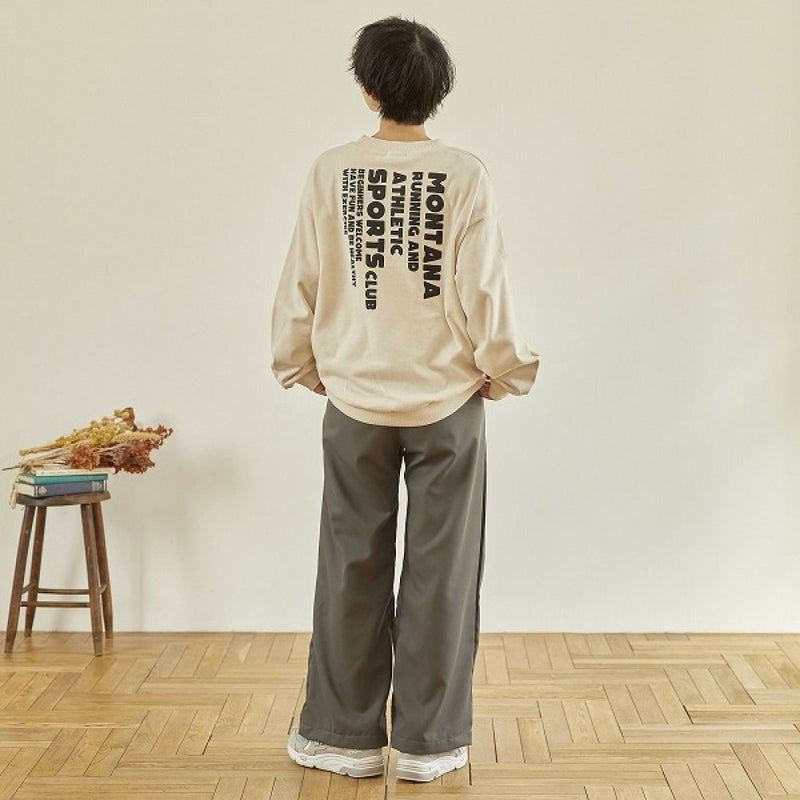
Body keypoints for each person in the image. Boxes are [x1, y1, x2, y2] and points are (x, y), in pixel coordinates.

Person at [270, 15, 540, 782]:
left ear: (367, 89)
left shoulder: (331, 171)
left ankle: (341, 739)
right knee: (442, 570)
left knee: (349, 564)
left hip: (354, 395)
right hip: (448, 402)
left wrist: (300, 363)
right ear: (437, 91)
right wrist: (503, 368)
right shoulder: (464, 173)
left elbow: (303, 278)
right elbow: (482, 288)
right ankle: (430, 743)